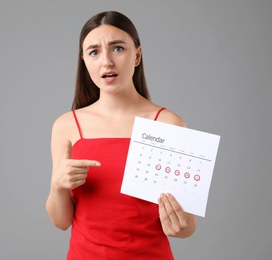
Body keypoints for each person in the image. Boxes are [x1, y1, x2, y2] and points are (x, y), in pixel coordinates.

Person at [46, 11, 196, 259]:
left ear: (137, 55)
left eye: (117, 48)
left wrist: (182, 226)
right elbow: (60, 221)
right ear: (84, 61)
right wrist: (58, 185)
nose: (106, 61)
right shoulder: (66, 125)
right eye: (94, 52)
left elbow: (187, 224)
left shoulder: (169, 123)